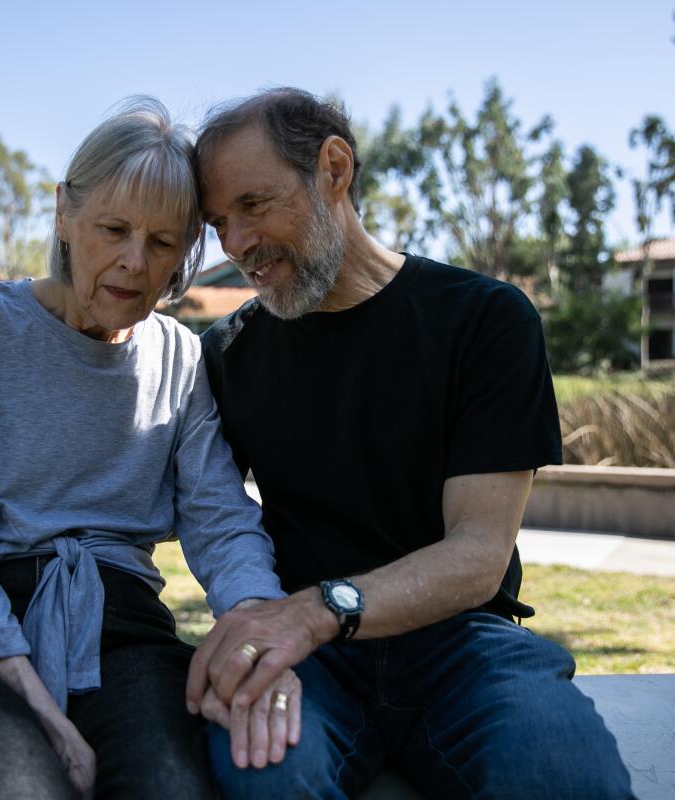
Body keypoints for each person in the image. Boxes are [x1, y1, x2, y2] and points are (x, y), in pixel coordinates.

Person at [185, 88, 637, 799]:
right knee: (263, 777)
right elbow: (210, 517)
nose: (236, 245)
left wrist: (310, 613)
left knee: (562, 777)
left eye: (253, 205)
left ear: (334, 168)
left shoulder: (485, 319)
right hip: (310, 662)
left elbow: (477, 558)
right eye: (218, 222)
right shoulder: (228, 354)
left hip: (463, 643)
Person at [0, 97, 299, 800]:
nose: (133, 262)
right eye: (113, 228)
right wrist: (43, 713)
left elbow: (219, 519)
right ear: (63, 212)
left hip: (121, 631)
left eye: (162, 241)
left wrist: (261, 631)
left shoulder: (180, 357)